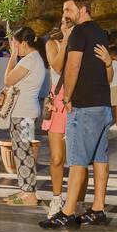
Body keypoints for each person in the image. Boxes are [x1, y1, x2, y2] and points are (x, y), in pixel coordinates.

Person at [41, 0, 115, 229]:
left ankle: (68, 212)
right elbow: (106, 73)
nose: (65, 15)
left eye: (68, 10)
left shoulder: (79, 33)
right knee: (100, 158)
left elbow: (71, 66)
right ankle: (98, 209)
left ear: (82, 9)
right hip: (103, 105)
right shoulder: (100, 32)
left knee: (77, 161)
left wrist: (69, 97)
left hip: (84, 106)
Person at [0, 26, 45, 206]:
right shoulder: (32, 59)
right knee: (21, 153)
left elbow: (8, 79)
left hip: (24, 113)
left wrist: (12, 56)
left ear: (24, 43)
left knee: (24, 153)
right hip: (24, 112)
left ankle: (30, 195)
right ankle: (25, 191)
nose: (14, 47)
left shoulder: (30, 59)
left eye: (15, 44)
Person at [43, 19, 73, 216]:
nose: (66, 27)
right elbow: (57, 68)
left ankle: (75, 200)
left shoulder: (81, 45)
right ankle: (56, 198)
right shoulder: (51, 44)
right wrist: (66, 42)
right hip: (58, 104)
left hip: (77, 101)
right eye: (64, 24)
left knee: (79, 159)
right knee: (56, 158)